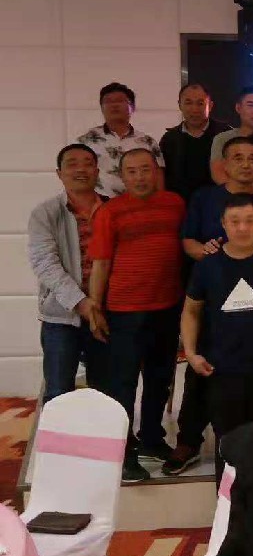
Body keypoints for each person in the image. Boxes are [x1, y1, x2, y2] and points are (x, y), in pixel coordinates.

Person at [165, 137, 253, 477]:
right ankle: (189, 440)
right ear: (224, 164)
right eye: (238, 158)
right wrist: (207, 252)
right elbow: (188, 242)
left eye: (252, 158)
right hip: (212, 298)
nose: (246, 164)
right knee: (202, 370)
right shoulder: (204, 198)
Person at [181, 194, 253, 480]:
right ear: (223, 224)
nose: (242, 228)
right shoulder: (207, 266)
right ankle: (228, 508)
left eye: (250, 221)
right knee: (228, 450)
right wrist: (191, 353)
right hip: (222, 371)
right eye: (235, 221)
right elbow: (191, 312)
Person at [88, 148, 186, 482]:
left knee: (160, 378)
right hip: (124, 311)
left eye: (146, 169)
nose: (140, 177)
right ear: (122, 176)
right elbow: (100, 263)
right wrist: (95, 308)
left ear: (156, 172)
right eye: (132, 171)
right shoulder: (110, 212)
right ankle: (124, 452)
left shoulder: (175, 204)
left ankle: (152, 439)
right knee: (124, 384)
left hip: (167, 307)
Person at [28, 144, 111, 403]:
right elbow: (45, 263)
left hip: (108, 312)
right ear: (59, 173)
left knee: (106, 392)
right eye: (72, 164)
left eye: (87, 163)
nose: (80, 169)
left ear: (97, 171)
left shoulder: (113, 209)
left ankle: (103, 432)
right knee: (58, 392)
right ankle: (55, 433)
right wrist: (82, 302)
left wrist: (98, 306)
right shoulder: (45, 213)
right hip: (62, 316)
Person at [77, 82, 164, 197]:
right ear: (102, 108)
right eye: (108, 101)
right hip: (100, 204)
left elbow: (158, 178)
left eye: (120, 101)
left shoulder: (148, 142)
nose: (114, 105)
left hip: (140, 203)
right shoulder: (86, 141)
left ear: (132, 107)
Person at [159, 83, 229, 202]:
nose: (194, 109)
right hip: (181, 205)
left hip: (220, 203)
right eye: (188, 103)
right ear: (180, 105)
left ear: (210, 106)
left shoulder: (225, 135)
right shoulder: (169, 139)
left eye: (200, 103)